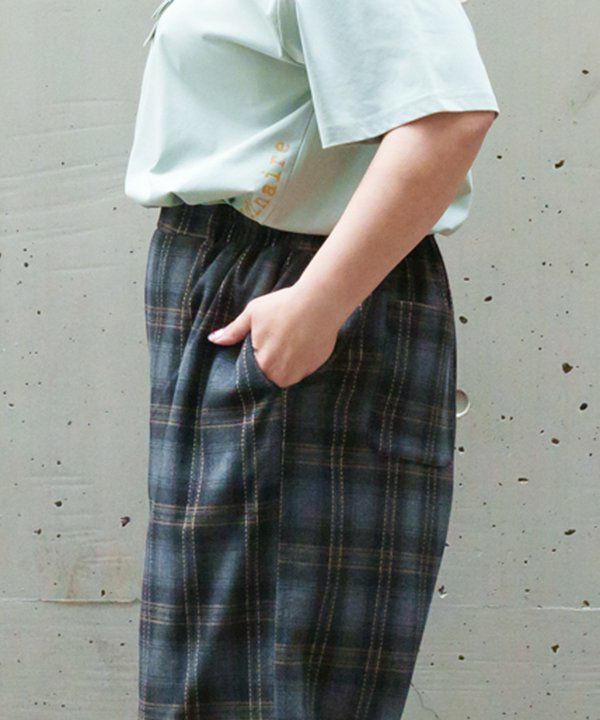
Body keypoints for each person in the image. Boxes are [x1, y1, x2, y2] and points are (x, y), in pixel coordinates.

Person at [124, 1, 500, 718]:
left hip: (282, 283)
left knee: (256, 682)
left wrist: (318, 304)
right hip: (239, 278)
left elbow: (447, 118)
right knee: (220, 675)